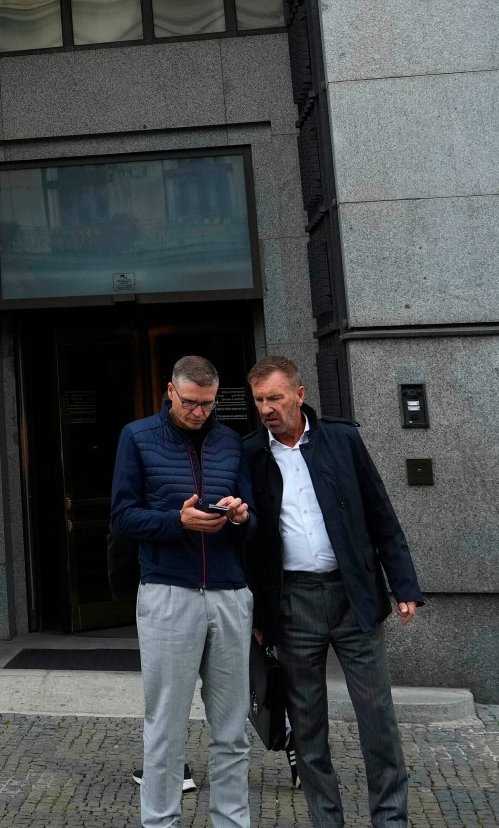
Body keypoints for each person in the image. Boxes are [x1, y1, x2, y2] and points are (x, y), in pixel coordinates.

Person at [241, 357, 424, 828]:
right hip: (292, 602)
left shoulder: (342, 439)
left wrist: (403, 583)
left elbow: (380, 511)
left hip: (353, 596)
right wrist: (260, 613)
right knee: (307, 727)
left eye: (275, 398)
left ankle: (390, 819)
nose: (266, 408)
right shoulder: (250, 455)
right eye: (259, 399)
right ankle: (327, 820)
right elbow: (252, 543)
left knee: (377, 718)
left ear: (299, 395)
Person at [111, 355, 256, 828]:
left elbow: (255, 522)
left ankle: (233, 823)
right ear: (170, 391)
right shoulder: (137, 437)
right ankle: (160, 823)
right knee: (165, 730)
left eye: (208, 405)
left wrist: (239, 515)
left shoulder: (232, 441)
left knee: (233, 731)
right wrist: (177, 521)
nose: (199, 413)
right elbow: (123, 518)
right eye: (191, 403)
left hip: (229, 591)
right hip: (168, 593)